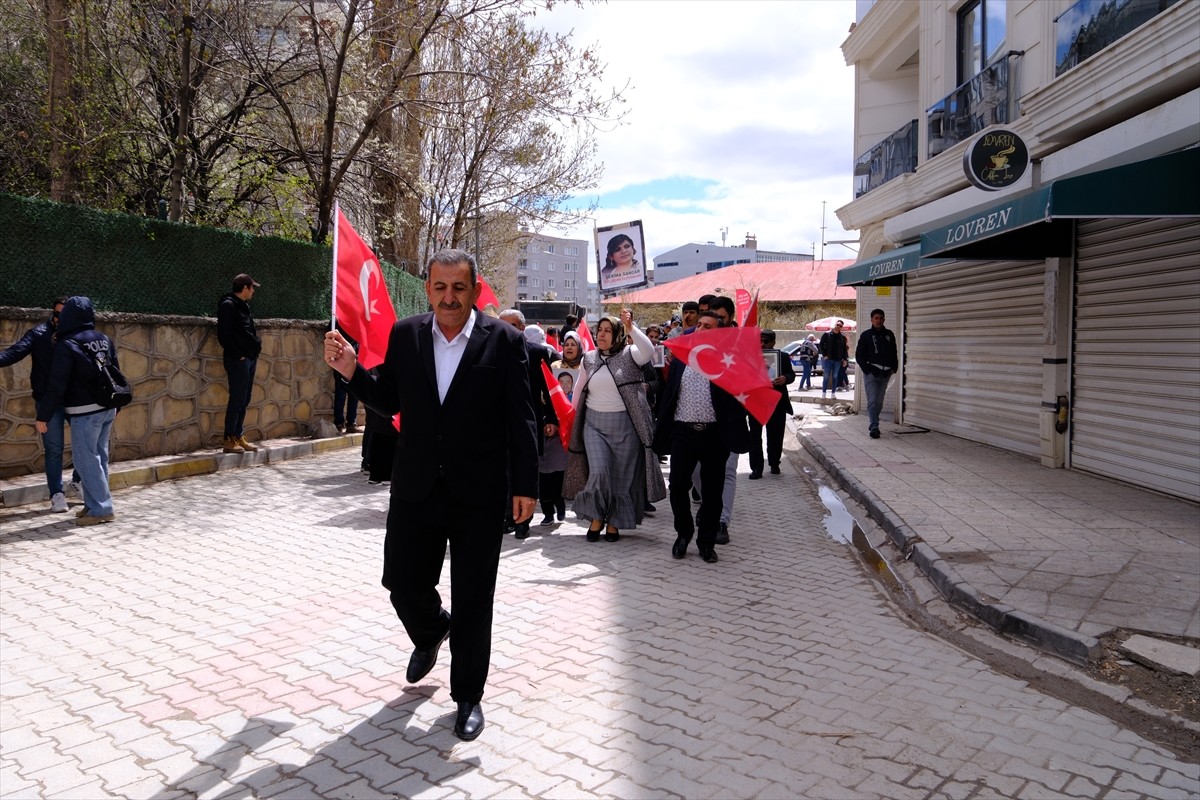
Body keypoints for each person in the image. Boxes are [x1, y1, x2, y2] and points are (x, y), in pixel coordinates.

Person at [323, 249, 538, 742]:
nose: (449, 297)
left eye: (458, 288)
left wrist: (525, 484)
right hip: (417, 487)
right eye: (440, 288)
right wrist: (352, 370)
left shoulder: (503, 341)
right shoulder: (406, 335)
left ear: (474, 290)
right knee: (400, 581)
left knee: (473, 598)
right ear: (428, 290)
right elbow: (388, 400)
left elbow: (520, 416)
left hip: (478, 493)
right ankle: (430, 629)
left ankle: (468, 697)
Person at [653, 310, 751, 564]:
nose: (699, 330)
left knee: (712, 492)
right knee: (677, 488)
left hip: (713, 435)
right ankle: (683, 534)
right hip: (683, 432)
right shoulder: (681, 360)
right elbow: (669, 396)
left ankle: (706, 542)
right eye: (698, 325)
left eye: (706, 326)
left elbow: (738, 399)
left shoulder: (726, 361)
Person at [562, 310, 666, 543]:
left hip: (626, 426)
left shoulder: (631, 355)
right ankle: (596, 517)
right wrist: (570, 417)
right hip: (593, 425)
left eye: (608, 331)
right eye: (599, 330)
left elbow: (649, 350)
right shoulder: (588, 357)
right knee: (598, 472)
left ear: (618, 334)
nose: (602, 334)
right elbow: (579, 389)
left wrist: (631, 327)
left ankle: (615, 522)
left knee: (622, 477)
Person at [35, 296, 121, 527]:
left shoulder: (68, 343)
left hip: (85, 411)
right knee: (99, 458)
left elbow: (57, 384)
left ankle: (102, 508)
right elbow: (116, 373)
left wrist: (43, 414)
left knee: (85, 461)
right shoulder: (103, 338)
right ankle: (93, 504)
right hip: (107, 408)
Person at [0, 296, 77, 513]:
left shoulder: (76, 335)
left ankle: (78, 481)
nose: (58, 319)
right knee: (54, 449)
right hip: (47, 401)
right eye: (56, 314)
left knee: (86, 446)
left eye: (64, 315)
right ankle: (56, 494)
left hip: (75, 399)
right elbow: (13, 353)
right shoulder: (38, 334)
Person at [498, 309, 559, 540]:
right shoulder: (491, 350)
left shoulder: (537, 353)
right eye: (502, 326)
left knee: (525, 468)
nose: (506, 331)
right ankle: (507, 516)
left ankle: (524, 521)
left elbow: (549, 390)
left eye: (511, 326)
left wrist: (552, 419)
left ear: (522, 328)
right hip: (499, 423)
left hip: (527, 422)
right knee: (504, 471)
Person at [217, 273, 262, 453]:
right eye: (252, 288)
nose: (253, 292)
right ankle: (229, 439)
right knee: (237, 398)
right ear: (244, 288)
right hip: (238, 360)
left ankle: (238, 435)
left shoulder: (243, 306)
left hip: (249, 359)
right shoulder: (228, 305)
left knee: (245, 398)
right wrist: (239, 355)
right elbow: (224, 335)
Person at [749, 329, 795, 479]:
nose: (762, 344)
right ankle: (756, 468)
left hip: (776, 401)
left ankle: (774, 463)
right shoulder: (750, 357)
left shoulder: (782, 357)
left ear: (773, 343)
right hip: (756, 401)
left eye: (766, 341)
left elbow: (791, 374)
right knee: (755, 435)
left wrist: (785, 378)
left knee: (775, 434)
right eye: (760, 341)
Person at [855, 308, 899, 439]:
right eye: (876, 318)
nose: (879, 320)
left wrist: (893, 368)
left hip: (886, 373)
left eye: (881, 318)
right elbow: (859, 355)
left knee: (879, 401)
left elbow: (894, 352)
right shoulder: (866, 335)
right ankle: (874, 425)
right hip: (871, 373)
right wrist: (867, 369)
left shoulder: (889, 335)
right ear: (872, 320)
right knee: (872, 400)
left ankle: (874, 421)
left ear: (884, 319)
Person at [332, 323, 360, 433]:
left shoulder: (356, 320)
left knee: (355, 394)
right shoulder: (336, 321)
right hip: (341, 360)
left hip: (355, 360)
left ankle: (351, 423)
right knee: (341, 392)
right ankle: (339, 422)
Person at [819, 320, 849, 400]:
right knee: (826, 376)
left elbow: (844, 349)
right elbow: (821, 345)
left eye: (840, 326)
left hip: (838, 360)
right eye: (838, 325)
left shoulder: (842, 337)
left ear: (841, 328)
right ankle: (824, 393)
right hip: (828, 359)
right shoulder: (827, 334)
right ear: (835, 325)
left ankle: (833, 393)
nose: (838, 327)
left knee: (835, 376)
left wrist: (845, 359)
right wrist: (824, 355)